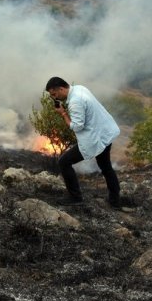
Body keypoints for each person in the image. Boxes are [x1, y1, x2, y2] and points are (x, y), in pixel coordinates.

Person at [45, 76, 121, 207]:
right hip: (104, 133)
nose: (54, 98)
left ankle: (75, 197)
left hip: (95, 138)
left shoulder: (75, 101)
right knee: (106, 167)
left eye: (54, 94)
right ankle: (115, 201)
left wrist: (63, 114)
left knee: (64, 162)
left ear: (62, 89)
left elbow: (77, 126)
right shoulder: (80, 88)